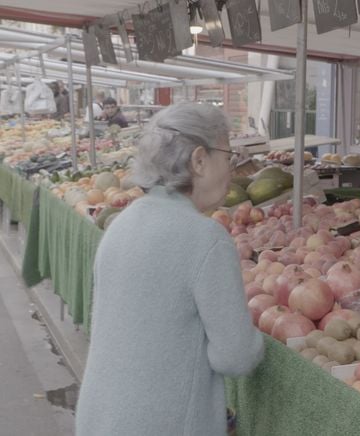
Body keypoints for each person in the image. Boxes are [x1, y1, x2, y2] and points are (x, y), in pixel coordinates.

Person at [75, 102, 264, 435]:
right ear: (199, 160)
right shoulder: (206, 238)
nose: (231, 169)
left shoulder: (122, 222)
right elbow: (236, 356)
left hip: (99, 416)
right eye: (228, 156)